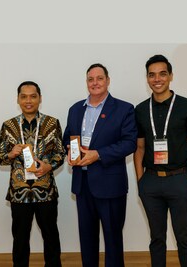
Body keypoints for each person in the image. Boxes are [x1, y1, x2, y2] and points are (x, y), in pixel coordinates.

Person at [63, 63, 137, 267]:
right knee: (87, 238)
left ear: (108, 81)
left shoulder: (124, 109)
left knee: (113, 239)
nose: (95, 83)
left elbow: (129, 143)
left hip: (110, 186)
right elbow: (68, 138)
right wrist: (70, 150)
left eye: (99, 78)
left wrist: (98, 154)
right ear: (86, 82)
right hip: (82, 184)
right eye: (90, 79)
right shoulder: (76, 109)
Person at [134, 55, 187, 267]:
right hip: (151, 182)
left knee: (183, 238)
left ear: (171, 76)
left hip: (179, 180)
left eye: (162, 74)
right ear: (147, 78)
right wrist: (141, 182)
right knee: (156, 239)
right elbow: (139, 148)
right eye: (152, 74)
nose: (157, 79)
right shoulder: (140, 110)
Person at [0, 81, 65, 267]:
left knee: (51, 236)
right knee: (20, 239)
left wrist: (49, 166)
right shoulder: (9, 125)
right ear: (17, 99)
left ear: (40, 99)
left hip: (46, 191)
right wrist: (11, 154)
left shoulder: (52, 123)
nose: (28, 100)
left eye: (33, 96)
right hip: (19, 193)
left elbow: (60, 153)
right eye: (23, 96)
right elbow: (0, 157)